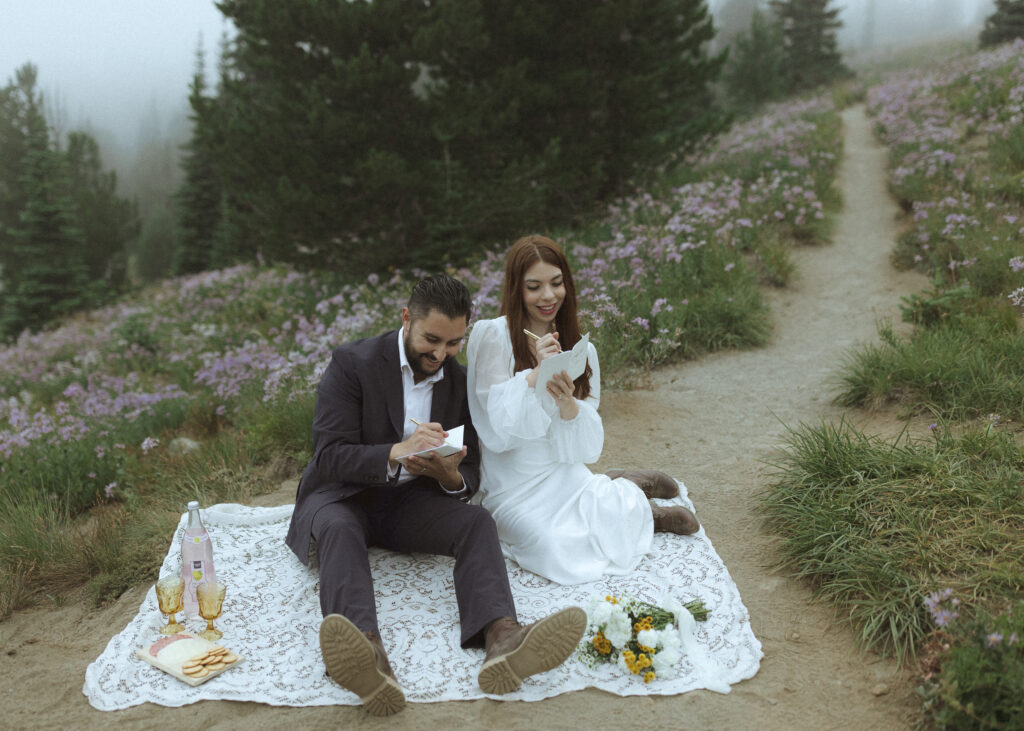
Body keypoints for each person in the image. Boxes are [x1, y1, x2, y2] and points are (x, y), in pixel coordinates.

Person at [285, 274, 586, 716]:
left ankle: (503, 638)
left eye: (453, 343)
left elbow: (471, 468)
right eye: (432, 339)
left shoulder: (456, 380)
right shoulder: (352, 364)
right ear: (407, 318)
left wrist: (448, 476)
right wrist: (396, 451)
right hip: (342, 496)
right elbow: (329, 456)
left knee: (477, 522)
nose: (440, 354)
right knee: (338, 529)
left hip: (409, 505)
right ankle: (366, 656)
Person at [466, 235, 700, 585]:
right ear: (517, 289)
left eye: (556, 283)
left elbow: (585, 448)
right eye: (534, 287)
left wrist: (566, 405)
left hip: (564, 473)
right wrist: (532, 376)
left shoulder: (580, 350)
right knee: (552, 547)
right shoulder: (491, 336)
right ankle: (633, 492)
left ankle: (639, 503)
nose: (548, 296)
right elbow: (494, 432)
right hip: (512, 487)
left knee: (604, 511)